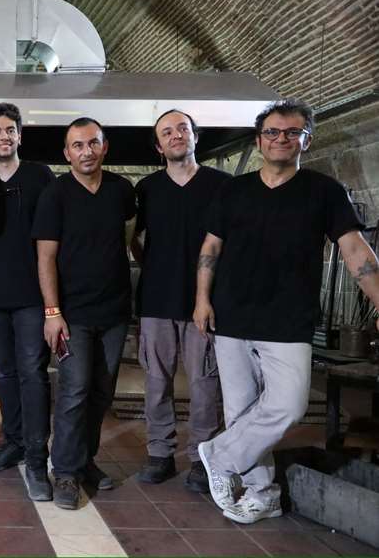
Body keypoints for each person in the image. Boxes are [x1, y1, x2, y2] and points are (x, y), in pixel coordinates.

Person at [193, 98, 379, 524]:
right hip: (232, 316)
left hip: (288, 319)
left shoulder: (324, 191)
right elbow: (211, 247)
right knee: (241, 412)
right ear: (259, 141)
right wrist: (202, 299)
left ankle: (219, 456)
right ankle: (262, 495)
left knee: (289, 406)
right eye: (273, 132)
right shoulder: (234, 190)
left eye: (293, 132)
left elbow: (355, 250)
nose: (282, 139)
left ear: (306, 141)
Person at [33, 117, 135, 510]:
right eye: (77, 145)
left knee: (101, 392)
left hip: (114, 311)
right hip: (72, 314)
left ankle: (84, 460)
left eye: (93, 143)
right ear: (67, 153)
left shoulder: (121, 190)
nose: (86, 151)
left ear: (104, 146)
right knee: (74, 390)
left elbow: (127, 237)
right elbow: (46, 257)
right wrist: (52, 312)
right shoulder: (55, 195)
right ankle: (65, 472)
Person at [130, 110, 229, 492]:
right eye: (167, 132)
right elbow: (133, 238)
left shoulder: (221, 185)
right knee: (157, 382)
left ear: (195, 136)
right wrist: (154, 266)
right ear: (159, 146)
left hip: (204, 302)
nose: (176, 136)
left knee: (205, 383)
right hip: (156, 300)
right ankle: (160, 453)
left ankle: (203, 457)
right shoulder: (147, 189)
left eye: (182, 129)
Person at [0, 102, 54, 501]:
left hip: (32, 297)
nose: (3, 137)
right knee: (4, 374)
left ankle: (38, 458)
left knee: (32, 374)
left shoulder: (40, 176)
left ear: (19, 135)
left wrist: (53, 304)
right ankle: (14, 442)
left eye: (10, 130)